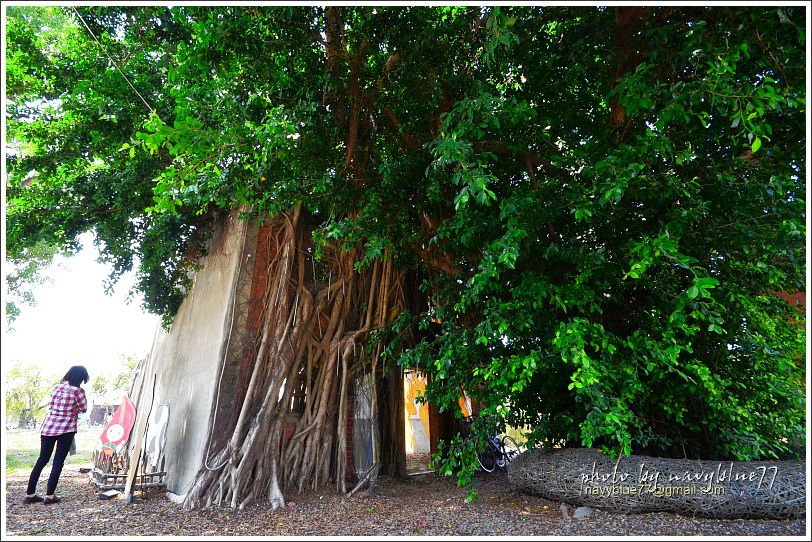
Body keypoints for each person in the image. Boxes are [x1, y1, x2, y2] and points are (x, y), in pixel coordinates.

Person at [24, 365, 89, 505]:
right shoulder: (78, 391)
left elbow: (53, 405)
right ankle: (50, 496)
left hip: (48, 427)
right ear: (81, 378)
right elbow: (84, 409)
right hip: (65, 429)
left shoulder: (57, 387)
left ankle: (30, 494)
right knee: (58, 461)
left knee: (42, 459)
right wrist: (74, 409)